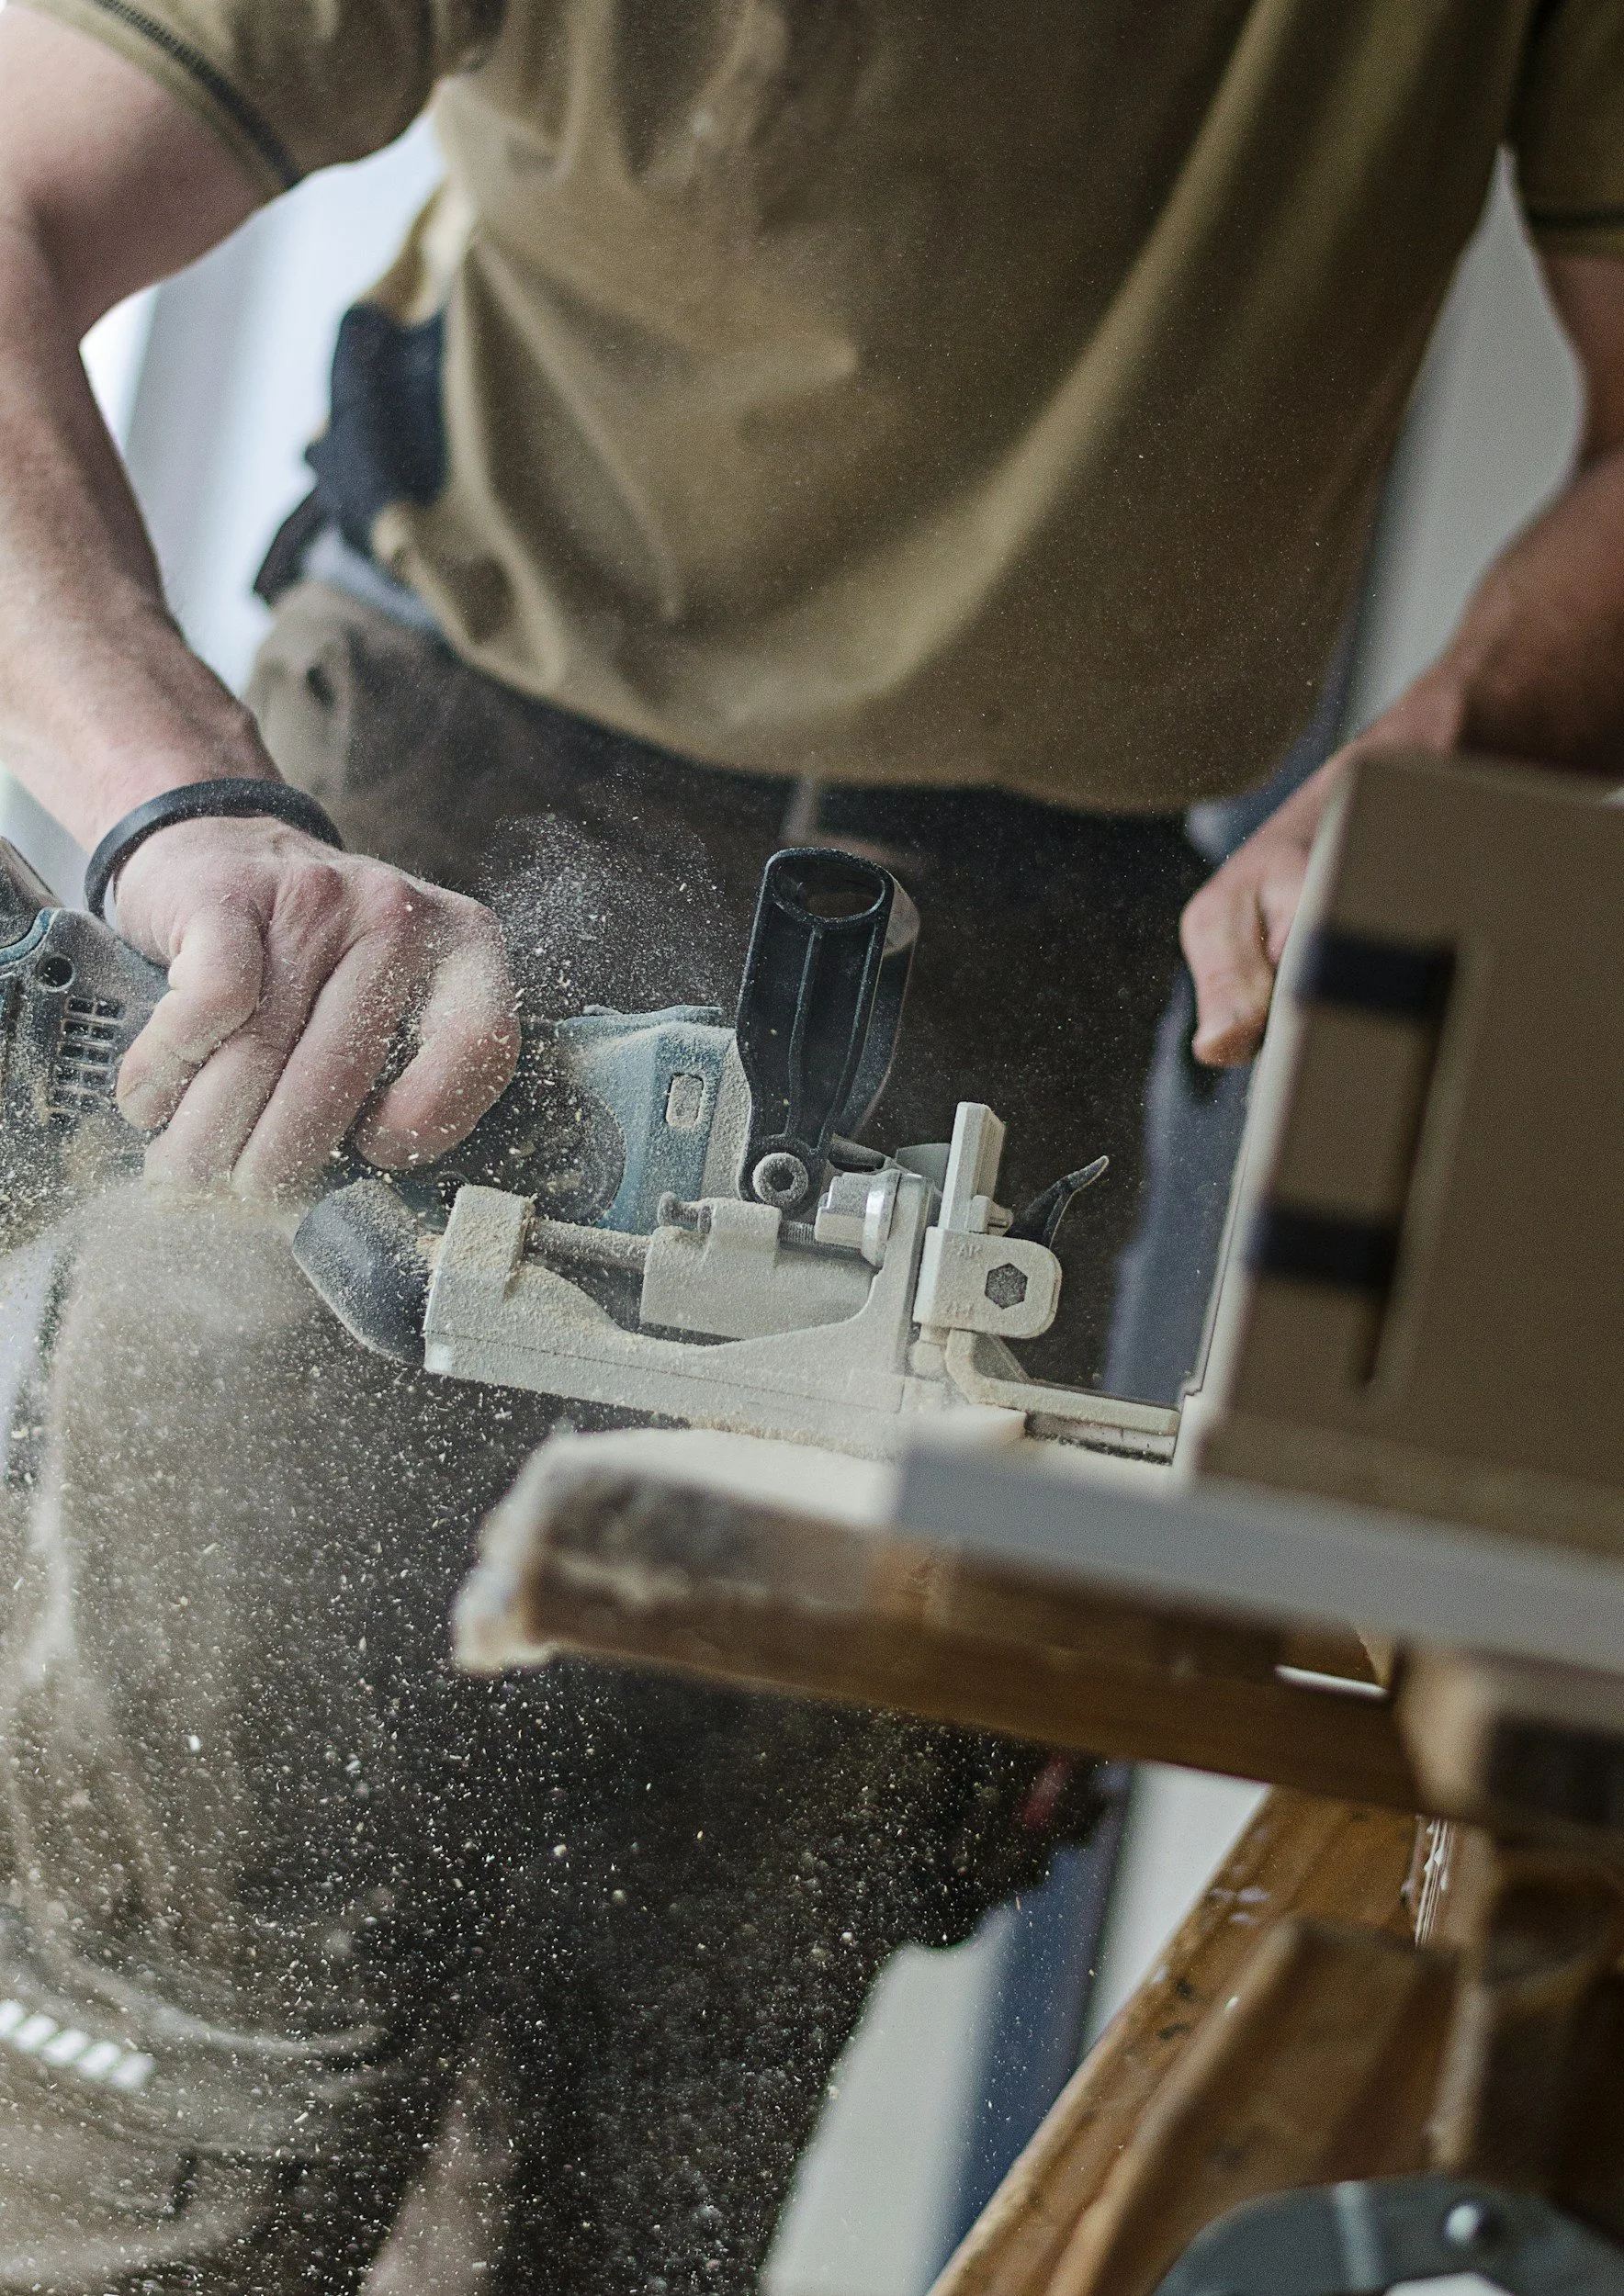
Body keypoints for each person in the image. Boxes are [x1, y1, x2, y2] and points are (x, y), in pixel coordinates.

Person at [1, 3, 1624, 2290]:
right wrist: (188, 806)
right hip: (419, 875)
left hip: (1035, 949)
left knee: (657, 2128)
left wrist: (1447, 744)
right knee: (185, 2076)